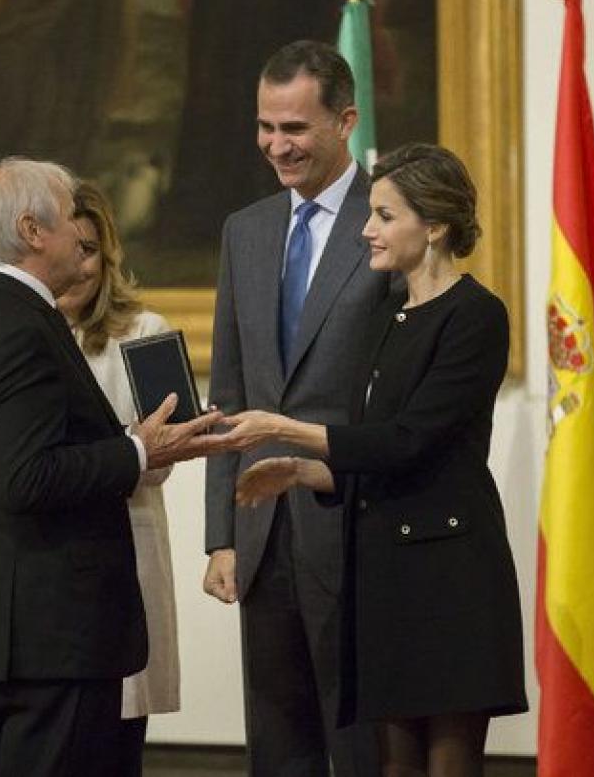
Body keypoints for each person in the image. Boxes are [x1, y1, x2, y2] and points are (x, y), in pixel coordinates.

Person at [220, 143, 528, 777]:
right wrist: (302, 471)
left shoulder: (475, 316)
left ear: (434, 225)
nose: (366, 229)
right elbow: (377, 448)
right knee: (393, 765)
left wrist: (288, 430)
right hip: (385, 570)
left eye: (385, 215)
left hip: (449, 573)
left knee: (447, 762)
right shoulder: (390, 317)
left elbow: (411, 440)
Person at [0, 157, 221, 777]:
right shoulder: (19, 326)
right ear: (33, 231)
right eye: (67, 225)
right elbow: (27, 477)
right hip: (49, 639)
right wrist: (139, 449)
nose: (81, 248)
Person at [203, 40, 390, 777]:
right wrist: (220, 534)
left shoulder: (389, 221)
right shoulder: (244, 230)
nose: (277, 146)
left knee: (363, 747)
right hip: (261, 534)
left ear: (346, 121)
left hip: (355, 529)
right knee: (279, 751)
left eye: (296, 129)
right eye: (265, 126)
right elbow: (230, 388)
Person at [56, 181, 180, 776]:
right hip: (46, 565)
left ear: (108, 254)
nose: (78, 266)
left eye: (90, 249)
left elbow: (168, 455)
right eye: (68, 248)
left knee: (113, 747)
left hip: (124, 552)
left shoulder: (145, 331)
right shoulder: (19, 333)